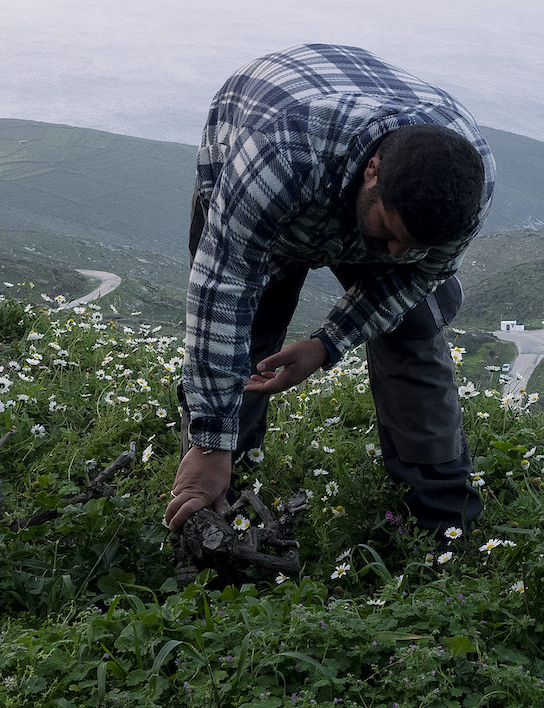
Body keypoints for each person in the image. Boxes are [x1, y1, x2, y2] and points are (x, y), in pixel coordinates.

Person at [164, 44, 493, 544]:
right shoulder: (280, 151)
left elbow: (414, 276)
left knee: (416, 330)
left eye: (416, 245)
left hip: (349, 168)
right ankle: (221, 481)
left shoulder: (469, 185)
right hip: (270, 161)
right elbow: (221, 293)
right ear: (373, 171)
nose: (397, 252)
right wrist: (211, 443)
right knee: (251, 326)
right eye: (389, 231)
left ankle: (444, 520)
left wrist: (325, 345)